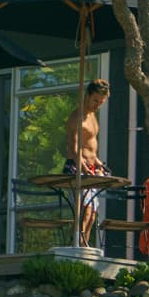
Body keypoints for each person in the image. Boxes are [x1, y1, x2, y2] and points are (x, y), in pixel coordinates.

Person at [61, 78, 110, 245]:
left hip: (90, 168)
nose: (98, 105)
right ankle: (76, 246)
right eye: (96, 100)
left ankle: (84, 246)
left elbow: (90, 148)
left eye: (101, 102)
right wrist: (84, 168)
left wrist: (98, 164)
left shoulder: (93, 117)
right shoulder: (77, 117)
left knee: (93, 214)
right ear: (88, 95)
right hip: (76, 167)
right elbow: (75, 148)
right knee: (85, 211)